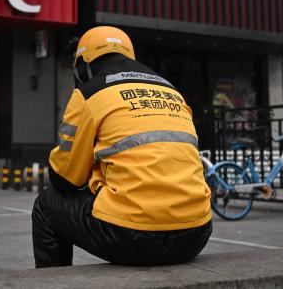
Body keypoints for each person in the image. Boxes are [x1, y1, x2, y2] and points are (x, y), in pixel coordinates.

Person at [32, 26, 212, 268]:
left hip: (133, 237)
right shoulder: (172, 92)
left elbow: (64, 179)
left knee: (46, 204)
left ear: (84, 64)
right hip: (196, 233)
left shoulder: (89, 92)